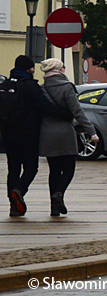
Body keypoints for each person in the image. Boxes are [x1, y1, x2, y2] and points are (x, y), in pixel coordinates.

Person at [2, 55, 70, 216]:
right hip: (28, 135)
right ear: (28, 69)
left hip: (7, 135)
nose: (33, 70)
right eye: (32, 68)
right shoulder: (30, 86)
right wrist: (65, 115)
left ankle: (13, 206)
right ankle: (19, 190)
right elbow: (44, 106)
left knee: (13, 169)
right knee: (31, 167)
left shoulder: (5, 85)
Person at [37, 58, 97, 217]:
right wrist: (91, 131)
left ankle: (54, 208)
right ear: (59, 70)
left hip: (47, 133)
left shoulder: (42, 89)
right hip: (65, 133)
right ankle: (60, 193)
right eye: (63, 67)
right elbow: (78, 112)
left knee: (54, 170)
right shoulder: (66, 87)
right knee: (69, 167)